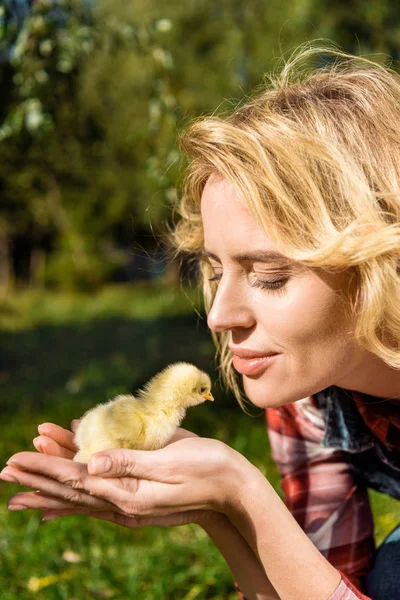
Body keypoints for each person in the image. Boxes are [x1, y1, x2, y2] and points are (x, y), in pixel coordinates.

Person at [1, 45, 400, 600]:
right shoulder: (309, 394)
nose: (219, 317)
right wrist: (219, 504)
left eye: (269, 276)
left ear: (379, 264)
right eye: (216, 270)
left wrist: (244, 490)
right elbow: (320, 584)